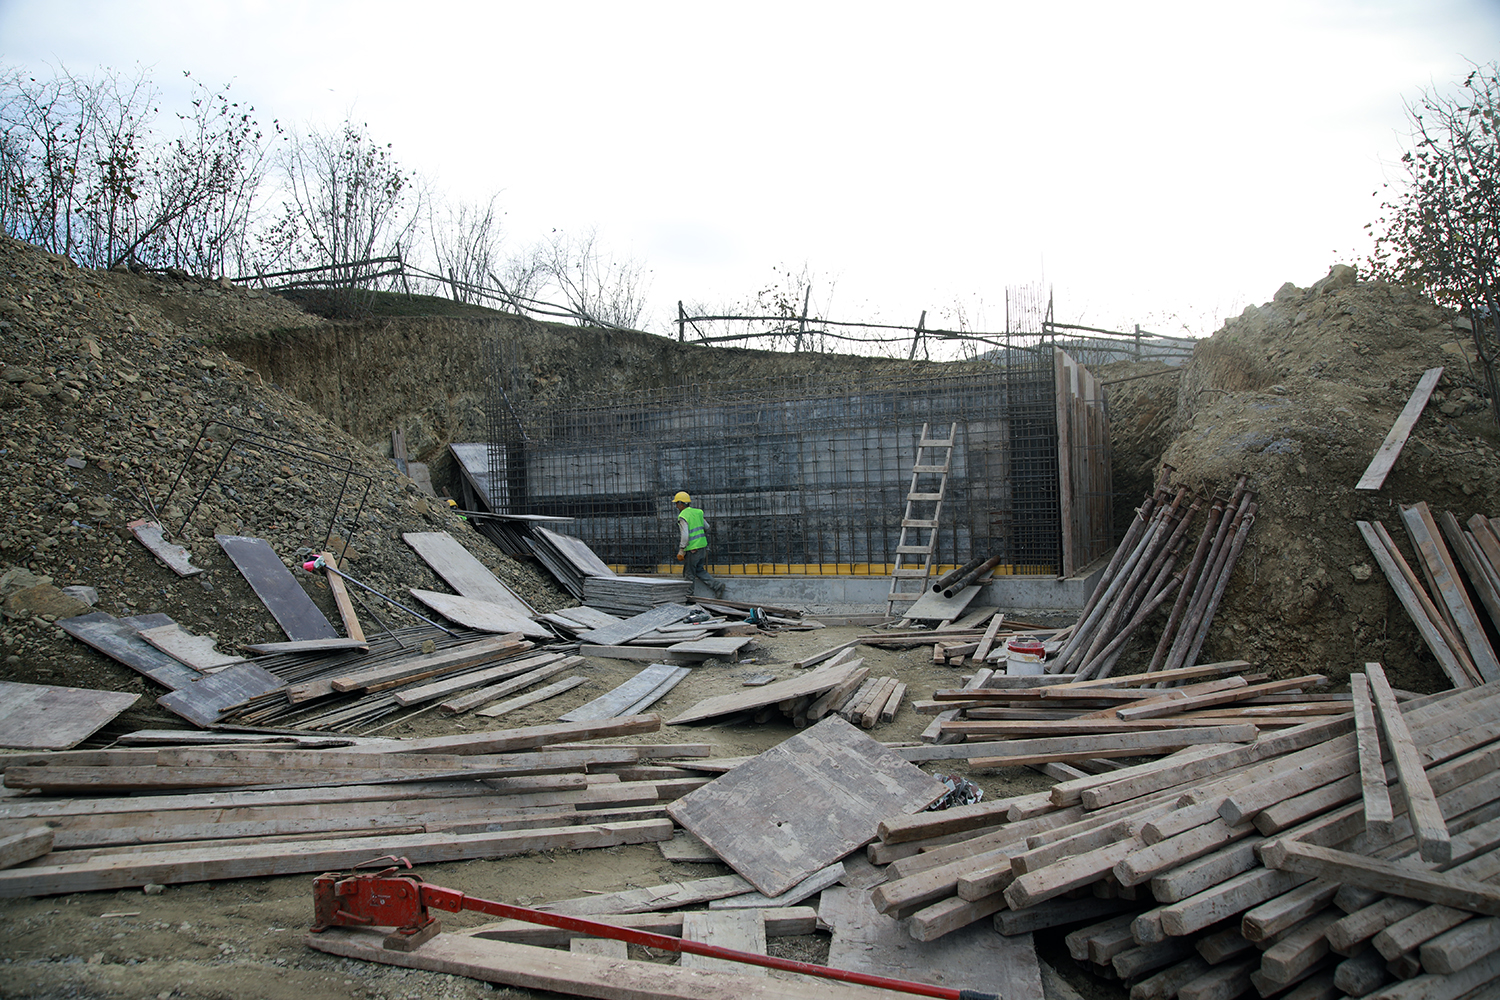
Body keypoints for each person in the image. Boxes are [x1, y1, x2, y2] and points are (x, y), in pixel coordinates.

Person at [673, 491, 725, 598]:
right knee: (699, 570)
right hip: (702, 547)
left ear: (681, 503)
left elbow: (685, 535)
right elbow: (707, 527)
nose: (676, 506)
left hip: (692, 550)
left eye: (676, 504)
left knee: (689, 574)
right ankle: (717, 586)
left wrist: (682, 549)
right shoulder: (698, 512)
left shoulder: (683, 516)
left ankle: (688, 596)